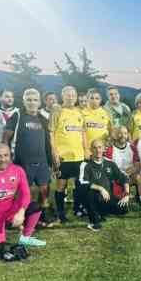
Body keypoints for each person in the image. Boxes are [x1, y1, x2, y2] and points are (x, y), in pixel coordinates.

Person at [3, 89, 54, 227]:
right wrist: (7, 159)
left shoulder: (43, 119)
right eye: (29, 100)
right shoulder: (17, 116)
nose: (32, 103)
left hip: (42, 161)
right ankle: (18, 217)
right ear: (24, 101)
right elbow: (6, 138)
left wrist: (51, 161)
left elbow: (48, 142)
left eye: (35, 100)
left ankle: (41, 216)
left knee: (44, 189)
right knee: (23, 192)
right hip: (22, 162)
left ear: (39, 102)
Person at [49, 85, 88, 222]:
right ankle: (61, 213)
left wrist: (86, 149)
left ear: (76, 97)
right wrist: (54, 152)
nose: (70, 98)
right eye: (68, 95)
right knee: (61, 184)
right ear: (63, 96)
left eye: (73, 95)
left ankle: (78, 209)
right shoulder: (57, 111)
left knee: (80, 184)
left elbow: (83, 132)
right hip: (63, 156)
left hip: (79, 155)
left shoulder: (79, 112)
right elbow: (51, 133)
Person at [80, 139, 130, 231]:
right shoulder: (85, 164)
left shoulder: (110, 163)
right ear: (91, 150)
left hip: (107, 197)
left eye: (100, 147)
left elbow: (124, 178)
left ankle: (101, 212)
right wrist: (101, 189)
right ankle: (94, 222)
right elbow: (83, 183)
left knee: (124, 208)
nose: (97, 150)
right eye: (94, 148)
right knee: (91, 193)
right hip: (93, 197)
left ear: (104, 149)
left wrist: (126, 194)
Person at [105, 126, 141, 217]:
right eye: (120, 133)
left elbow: (137, 166)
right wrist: (120, 176)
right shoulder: (110, 150)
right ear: (116, 135)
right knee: (121, 209)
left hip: (129, 176)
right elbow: (108, 169)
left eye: (125, 133)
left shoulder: (132, 148)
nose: (123, 135)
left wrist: (126, 173)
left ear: (128, 135)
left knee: (138, 177)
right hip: (116, 179)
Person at [80, 88, 112, 156]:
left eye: (97, 98)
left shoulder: (106, 113)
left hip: (103, 151)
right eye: (92, 98)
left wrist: (108, 141)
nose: (94, 100)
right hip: (87, 152)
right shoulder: (81, 113)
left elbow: (110, 130)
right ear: (87, 99)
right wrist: (85, 149)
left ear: (100, 100)